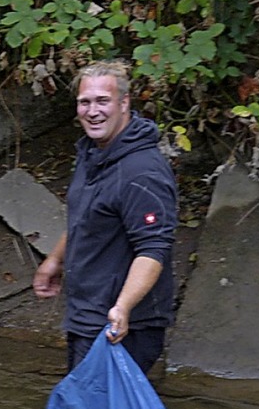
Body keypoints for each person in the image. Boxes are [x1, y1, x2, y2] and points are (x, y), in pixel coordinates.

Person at [33, 59, 178, 374]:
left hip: (122, 327)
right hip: (87, 314)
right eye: (84, 102)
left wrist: (123, 307)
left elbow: (153, 250)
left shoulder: (142, 172)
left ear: (124, 103)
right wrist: (55, 260)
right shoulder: (93, 151)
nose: (92, 111)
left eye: (102, 101)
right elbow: (85, 215)